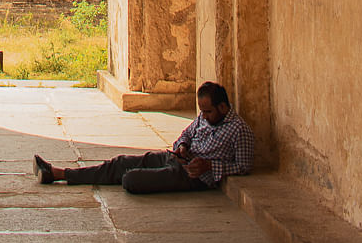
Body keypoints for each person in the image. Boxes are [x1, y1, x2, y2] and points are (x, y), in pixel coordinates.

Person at [33, 81, 254, 194]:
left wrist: (210, 167)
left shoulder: (238, 130)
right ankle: (59, 173)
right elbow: (186, 133)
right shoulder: (205, 118)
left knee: (131, 179)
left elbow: (244, 166)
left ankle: (134, 176)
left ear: (223, 107)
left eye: (208, 112)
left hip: (193, 176)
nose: (203, 116)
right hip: (177, 159)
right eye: (202, 111)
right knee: (120, 163)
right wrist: (183, 146)